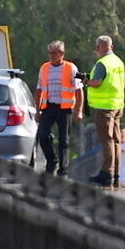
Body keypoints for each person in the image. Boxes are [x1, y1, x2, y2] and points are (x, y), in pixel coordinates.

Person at [34, 40, 84, 176]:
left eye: (54, 53)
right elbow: (39, 89)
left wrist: (79, 110)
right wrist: (37, 109)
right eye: (50, 53)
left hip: (64, 108)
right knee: (42, 136)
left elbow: (79, 90)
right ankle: (52, 160)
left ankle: (63, 169)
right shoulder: (44, 68)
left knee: (64, 140)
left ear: (62, 53)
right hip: (48, 107)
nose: (51, 55)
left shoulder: (71, 68)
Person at [83, 35, 125, 188]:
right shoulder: (118, 62)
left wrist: (87, 81)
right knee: (116, 140)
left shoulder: (102, 63)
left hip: (105, 108)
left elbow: (97, 82)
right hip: (117, 104)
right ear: (112, 47)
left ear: (98, 48)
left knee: (107, 139)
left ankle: (107, 172)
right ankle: (115, 172)